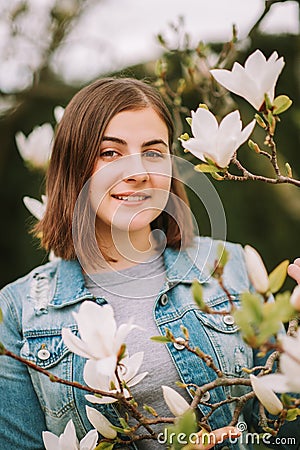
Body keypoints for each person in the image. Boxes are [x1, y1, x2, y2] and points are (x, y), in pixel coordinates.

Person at [0, 78, 298, 450]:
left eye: (153, 152)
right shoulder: (19, 311)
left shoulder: (232, 265)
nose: (137, 171)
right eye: (110, 153)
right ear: (73, 166)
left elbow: (283, 427)